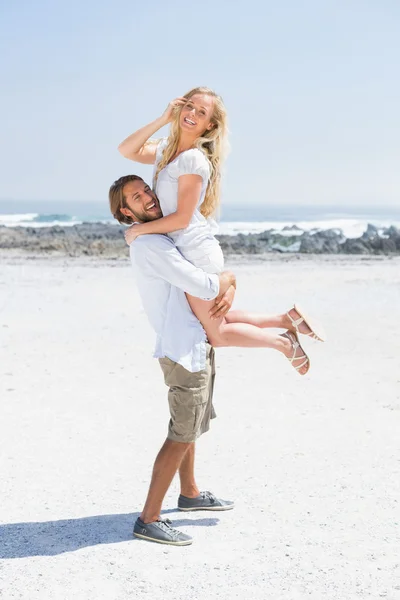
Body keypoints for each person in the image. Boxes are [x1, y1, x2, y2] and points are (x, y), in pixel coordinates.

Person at [118, 87, 326, 375]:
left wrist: (139, 231)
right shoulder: (166, 150)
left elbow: (180, 219)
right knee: (218, 320)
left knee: (217, 333)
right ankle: (285, 319)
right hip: (189, 249)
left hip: (195, 253)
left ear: (210, 125)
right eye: (189, 106)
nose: (192, 114)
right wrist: (163, 118)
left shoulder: (192, 160)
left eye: (201, 113)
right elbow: (126, 150)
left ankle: (284, 343)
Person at [109, 175, 237, 546]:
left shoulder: (159, 236)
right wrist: (229, 278)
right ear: (125, 211)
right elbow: (203, 285)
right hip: (182, 348)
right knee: (181, 433)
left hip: (193, 340)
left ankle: (190, 494)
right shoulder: (150, 244)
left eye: (146, 189)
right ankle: (148, 519)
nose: (148, 197)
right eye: (137, 196)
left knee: (191, 425)